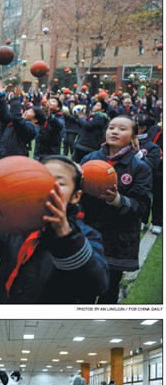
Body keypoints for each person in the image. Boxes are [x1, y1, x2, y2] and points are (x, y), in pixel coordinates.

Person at [0, 155, 109, 303]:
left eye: (59, 184)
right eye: (42, 180)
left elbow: (96, 285)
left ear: (76, 196)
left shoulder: (87, 236)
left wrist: (65, 237)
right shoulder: (16, 221)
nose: (48, 187)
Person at [80, 116, 153, 303]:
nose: (114, 131)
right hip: (90, 235)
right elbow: (76, 197)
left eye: (122, 129)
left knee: (109, 290)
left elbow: (141, 207)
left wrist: (118, 200)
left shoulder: (140, 168)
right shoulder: (89, 159)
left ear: (133, 136)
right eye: (111, 127)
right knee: (83, 290)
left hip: (117, 240)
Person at [0, 85, 44, 161]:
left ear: (35, 120)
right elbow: (4, 114)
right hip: (0, 156)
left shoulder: (31, 129)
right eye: (28, 110)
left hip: (12, 161)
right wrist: (1, 96)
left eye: (30, 111)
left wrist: (16, 99)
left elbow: (17, 119)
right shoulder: (18, 122)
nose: (26, 111)